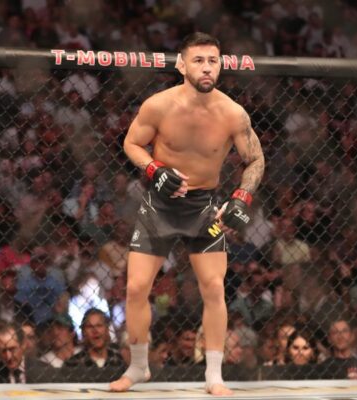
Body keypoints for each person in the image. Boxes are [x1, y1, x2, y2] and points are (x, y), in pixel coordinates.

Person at [109, 32, 265, 396]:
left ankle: (214, 374)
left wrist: (241, 197)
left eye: (213, 61)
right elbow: (131, 143)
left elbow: (255, 158)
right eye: (198, 60)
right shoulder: (159, 106)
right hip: (159, 206)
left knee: (214, 287)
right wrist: (154, 169)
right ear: (181, 64)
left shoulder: (232, 113)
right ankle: (138, 367)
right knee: (136, 287)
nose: (207, 68)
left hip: (204, 209)